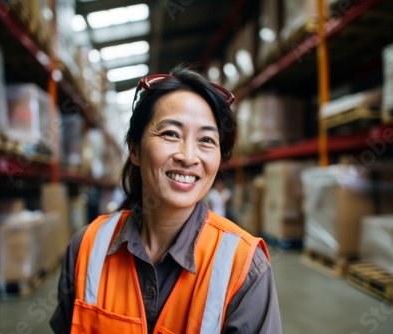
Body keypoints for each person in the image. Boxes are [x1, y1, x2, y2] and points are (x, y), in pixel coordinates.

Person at [50, 65, 282, 333]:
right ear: (134, 150)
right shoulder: (87, 247)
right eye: (171, 134)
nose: (188, 156)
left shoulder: (245, 268)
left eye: (206, 139)